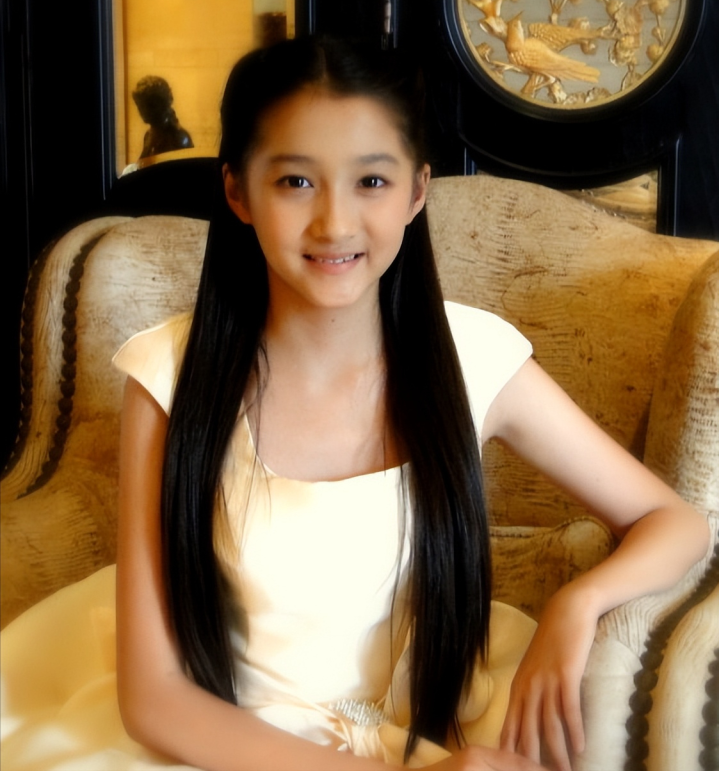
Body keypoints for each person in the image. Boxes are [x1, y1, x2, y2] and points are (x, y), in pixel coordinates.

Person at [0, 36, 710, 771]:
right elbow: (155, 701)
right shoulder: (169, 377)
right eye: (295, 182)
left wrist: (576, 605)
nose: (334, 223)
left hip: (439, 721)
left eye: (371, 181)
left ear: (417, 191)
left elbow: (675, 522)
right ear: (238, 193)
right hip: (227, 747)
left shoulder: (473, 358)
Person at [132, 75, 194, 160]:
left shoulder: (178, 139)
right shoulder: (149, 135)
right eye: (139, 105)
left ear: (162, 105)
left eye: (149, 105)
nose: (142, 111)